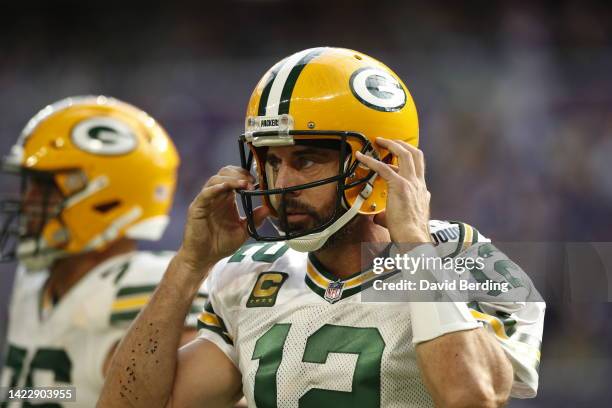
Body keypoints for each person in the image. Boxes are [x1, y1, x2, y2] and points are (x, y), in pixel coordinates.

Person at [99, 48, 545, 408]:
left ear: (380, 164)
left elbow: (471, 397)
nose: (282, 184)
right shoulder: (250, 274)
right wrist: (189, 264)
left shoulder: (462, 257)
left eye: (306, 159)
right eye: (272, 161)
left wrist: (415, 249)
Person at [0, 96, 208, 407]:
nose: (27, 201)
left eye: (44, 188)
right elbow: (49, 392)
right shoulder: (34, 283)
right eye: (28, 185)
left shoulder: (146, 288)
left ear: (104, 200)